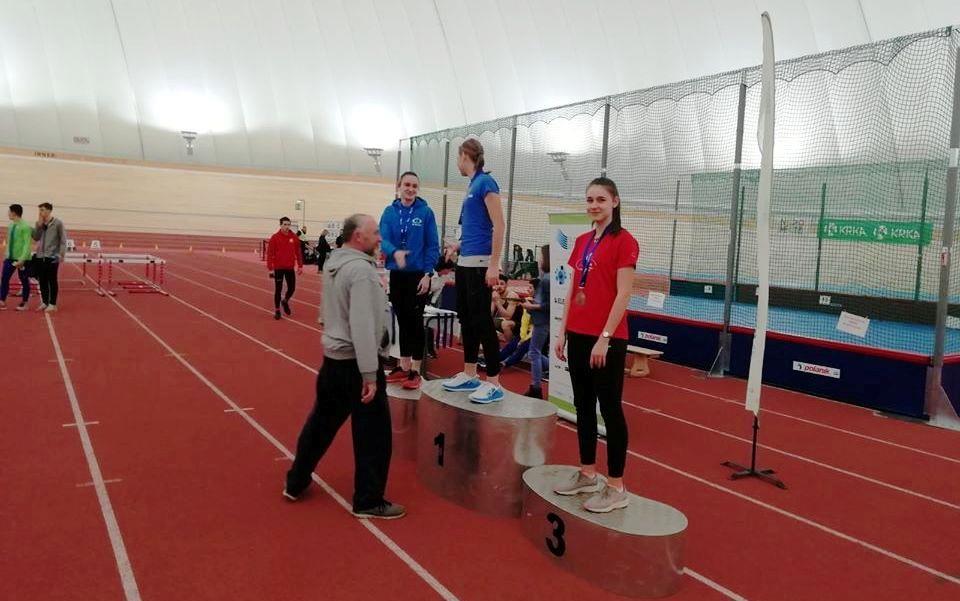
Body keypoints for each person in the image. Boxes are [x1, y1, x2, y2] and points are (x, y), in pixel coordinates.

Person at [284, 214, 404, 520]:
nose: (380, 238)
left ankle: (296, 480)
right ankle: (368, 500)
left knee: (320, 425)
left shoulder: (334, 263)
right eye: (375, 232)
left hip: (333, 361)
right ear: (358, 236)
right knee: (374, 435)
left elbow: (326, 311)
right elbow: (361, 325)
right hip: (356, 365)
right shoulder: (361, 272)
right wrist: (369, 374)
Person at [553, 177, 638, 513]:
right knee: (583, 405)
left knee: (610, 409)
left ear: (615, 201)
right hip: (578, 334)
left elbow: (624, 293)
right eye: (589, 200)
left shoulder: (625, 241)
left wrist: (605, 337)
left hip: (607, 339)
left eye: (601, 199)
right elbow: (573, 289)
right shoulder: (582, 241)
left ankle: (616, 486)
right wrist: (562, 332)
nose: (594, 205)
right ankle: (588, 473)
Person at [440, 138, 507, 404]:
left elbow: (499, 225)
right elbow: (475, 226)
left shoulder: (486, 183)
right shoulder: (472, 185)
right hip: (465, 261)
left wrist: (494, 264)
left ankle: (494, 382)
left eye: (458, 158)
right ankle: (469, 374)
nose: (457, 163)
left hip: (481, 263)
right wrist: (458, 245)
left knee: (482, 321)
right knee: (466, 319)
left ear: (464, 156)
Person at [380, 171, 440, 390]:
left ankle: (415, 371)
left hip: (418, 276)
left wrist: (428, 274)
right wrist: (394, 252)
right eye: (407, 184)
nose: (410, 189)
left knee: (415, 322)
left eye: (414, 186)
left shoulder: (425, 213)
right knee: (402, 321)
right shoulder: (389, 212)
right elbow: (383, 238)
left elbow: (432, 245)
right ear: (399, 186)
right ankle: (403, 367)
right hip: (397, 274)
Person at [521, 246, 551, 399]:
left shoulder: (547, 279)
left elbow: (548, 305)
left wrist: (531, 306)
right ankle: (536, 385)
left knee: (534, 352)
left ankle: (536, 387)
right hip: (540, 320)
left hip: (542, 321)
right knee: (534, 352)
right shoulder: (545, 277)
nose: (539, 260)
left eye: (541, 256)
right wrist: (532, 303)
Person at [31, 202, 66, 312]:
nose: (40, 212)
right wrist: (39, 225)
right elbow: (36, 237)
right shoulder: (39, 223)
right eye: (39, 210)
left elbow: (63, 240)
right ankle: (45, 302)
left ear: (49, 210)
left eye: (42, 210)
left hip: (52, 256)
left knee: (52, 280)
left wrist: (61, 254)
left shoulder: (58, 223)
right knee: (42, 280)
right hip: (40, 256)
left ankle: (53, 304)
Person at [266, 217, 303, 320]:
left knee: (292, 288)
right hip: (278, 268)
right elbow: (270, 253)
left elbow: (298, 252)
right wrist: (270, 268)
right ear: (281, 225)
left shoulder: (294, 237)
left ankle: (285, 300)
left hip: (289, 267)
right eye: (285, 224)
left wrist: (300, 265)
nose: (287, 227)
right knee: (278, 289)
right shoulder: (275, 237)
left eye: (288, 224)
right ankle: (277, 310)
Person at [1, 204, 33, 311]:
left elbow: (27, 244)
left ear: (14, 212)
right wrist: (7, 255)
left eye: (9, 212)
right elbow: (10, 242)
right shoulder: (11, 225)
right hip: (10, 258)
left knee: (24, 280)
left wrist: (22, 259)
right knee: (4, 278)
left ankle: (25, 303)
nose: (8, 214)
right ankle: (2, 300)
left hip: (22, 259)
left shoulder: (25, 226)